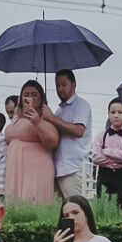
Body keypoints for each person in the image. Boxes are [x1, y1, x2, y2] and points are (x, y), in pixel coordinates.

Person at [2, 78, 59, 203]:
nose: (30, 98)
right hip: (16, 169)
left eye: (34, 95)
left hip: (35, 169)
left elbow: (52, 141)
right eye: (26, 95)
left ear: (41, 98)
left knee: (32, 201)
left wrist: (37, 122)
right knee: (15, 204)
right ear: (21, 98)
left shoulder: (45, 117)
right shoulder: (17, 117)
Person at [50, 69, 94, 200]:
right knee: (59, 214)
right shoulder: (59, 111)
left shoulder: (81, 105)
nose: (60, 89)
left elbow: (78, 130)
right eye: (57, 85)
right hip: (58, 169)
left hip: (74, 168)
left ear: (74, 84)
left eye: (64, 84)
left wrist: (52, 118)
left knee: (76, 211)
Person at [91, 96, 122, 202]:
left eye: (120, 112)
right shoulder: (101, 135)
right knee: (103, 206)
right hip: (104, 175)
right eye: (112, 112)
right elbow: (95, 157)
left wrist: (107, 152)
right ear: (108, 114)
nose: (116, 115)